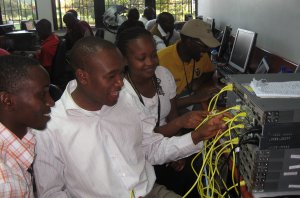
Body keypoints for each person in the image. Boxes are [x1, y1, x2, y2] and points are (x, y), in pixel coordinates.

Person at [33, 36, 226, 197]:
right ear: (83, 77)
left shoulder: (126, 101)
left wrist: (198, 135)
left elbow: (151, 148)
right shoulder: (50, 127)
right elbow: (51, 193)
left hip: (148, 191)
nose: (120, 83)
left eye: (121, 73)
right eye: (111, 76)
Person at [116, 27, 212, 196]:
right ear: (124, 59)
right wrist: (180, 125)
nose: (151, 62)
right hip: (141, 159)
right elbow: (144, 141)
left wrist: (177, 150)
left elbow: (172, 113)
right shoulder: (120, 93)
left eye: (154, 55)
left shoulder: (162, 75)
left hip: (167, 145)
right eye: (141, 58)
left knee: (201, 168)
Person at [0, 55, 54, 197]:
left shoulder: (25, 134)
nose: (51, 102)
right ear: (8, 101)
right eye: (42, 95)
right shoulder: (6, 183)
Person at [158, 19, 220, 110]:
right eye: (204, 46)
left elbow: (210, 71)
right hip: (170, 110)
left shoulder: (201, 55)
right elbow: (161, 106)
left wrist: (199, 80)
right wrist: (195, 98)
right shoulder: (161, 61)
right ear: (188, 41)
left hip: (189, 100)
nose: (207, 50)